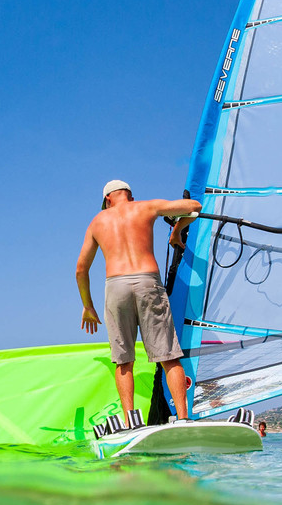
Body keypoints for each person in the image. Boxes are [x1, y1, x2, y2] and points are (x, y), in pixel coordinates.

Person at [76, 179, 200, 422]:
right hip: (147, 282)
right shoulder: (146, 207)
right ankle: (184, 420)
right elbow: (195, 206)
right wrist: (177, 230)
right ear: (129, 196)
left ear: (107, 200)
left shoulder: (98, 221)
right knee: (168, 357)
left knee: (124, 361)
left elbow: (81, 269)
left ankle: (131, 421)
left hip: (116, 286)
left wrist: (87, 306)